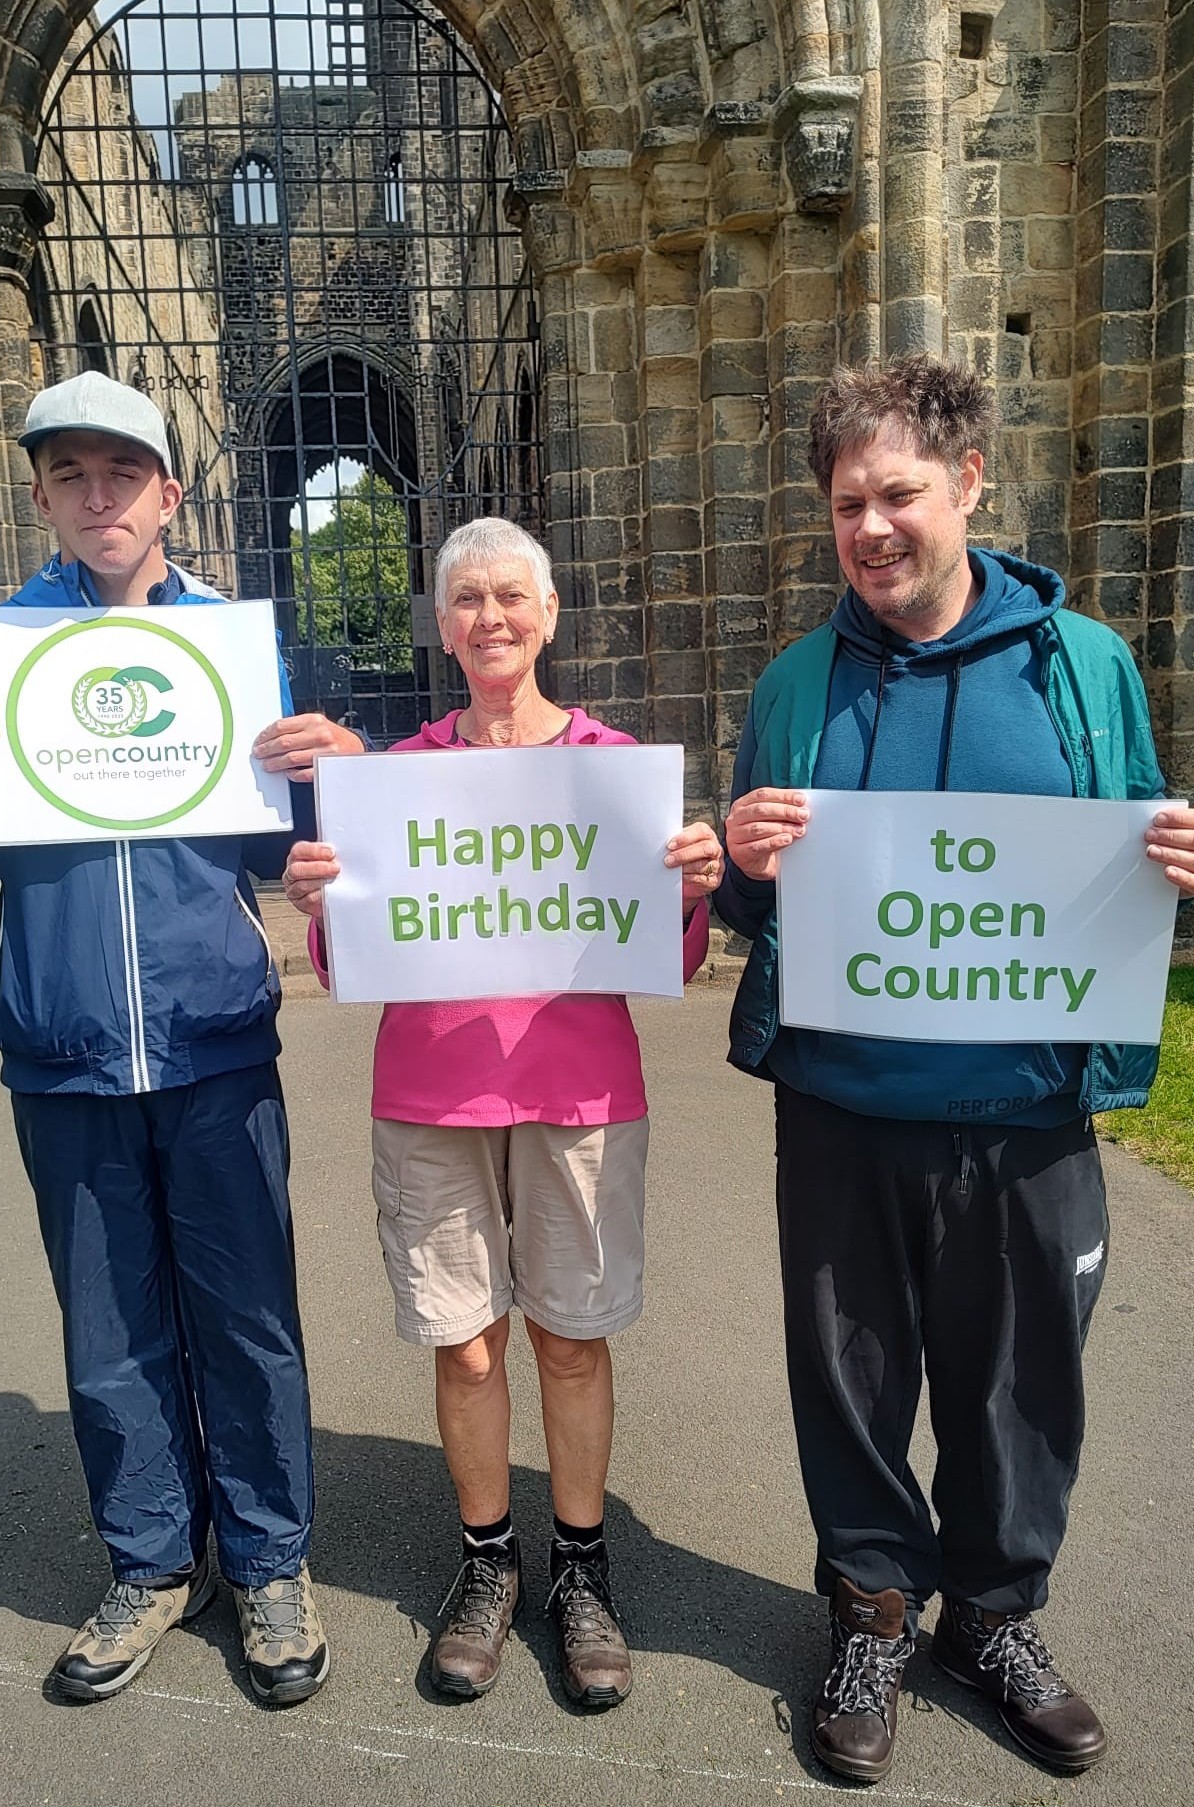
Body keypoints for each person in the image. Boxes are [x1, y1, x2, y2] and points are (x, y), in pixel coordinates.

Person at [716, 356, 1194, 1783]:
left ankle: (992, 1617)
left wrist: (1191, 854)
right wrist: (744, 860)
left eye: (897, 494)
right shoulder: (798, 683)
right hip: (844, 1107)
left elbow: (1141, 843)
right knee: (853, 1375)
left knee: (1021, 1382)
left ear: (970, 486)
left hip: (1026, 1111)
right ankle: (872, 1610)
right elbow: (757, 913)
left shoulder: (1085, 665)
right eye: (845, 503)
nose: (871, 526)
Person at [0, 370, 366, 1708]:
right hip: (65, 1048)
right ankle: (150, 1559)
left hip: (213, 1041)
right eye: (72, 473)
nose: (100, 496)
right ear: (42, 491)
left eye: (123, 473)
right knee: (110, 1328)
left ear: (167, 493)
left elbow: (287, 849)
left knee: (247, 1319)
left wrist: (327, 776)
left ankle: (266, 1560)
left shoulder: (224, 649)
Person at [281, 517, 723, 1709]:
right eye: (467, 599)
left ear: (550, 612)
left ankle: (580, 1562)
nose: (490, 617)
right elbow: (347, 963)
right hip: (432, 1090)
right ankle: (488, 1559)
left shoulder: (611, 763)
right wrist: (322, 900)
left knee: (572, 1335)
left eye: (510, 595)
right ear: (442, 625)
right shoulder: (397, 778)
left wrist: (686, 892)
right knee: (465, 1337)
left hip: (579, 1088)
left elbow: (663, 956)